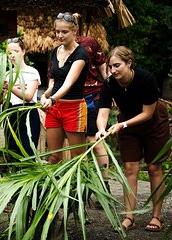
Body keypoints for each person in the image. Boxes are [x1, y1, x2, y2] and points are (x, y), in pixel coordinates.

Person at [96, 46, 170, 232]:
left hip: (153, 122)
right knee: (130, 168)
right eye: (110, 66)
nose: (113, 70)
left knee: (154, 167)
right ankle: (129, 217)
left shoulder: (146, 79)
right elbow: (103, 111)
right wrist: (101, 130)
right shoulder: (110, 83)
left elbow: (147, 113)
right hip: (128, 123)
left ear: (129, 63)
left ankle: (156, 217)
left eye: (117, 65)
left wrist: (123, 125)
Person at [41, 12, 89, 163]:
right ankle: (53, 186)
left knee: (77, 158)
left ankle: (80, 185)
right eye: (57, 31)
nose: (60, 35)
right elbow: (54, 80)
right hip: (55, 109)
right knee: (54, 156)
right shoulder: (55, 51)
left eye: (64, 32)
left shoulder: (81, 54)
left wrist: (52, 99)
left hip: (73, 108)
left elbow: (68, 83)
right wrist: (45, 95)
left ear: (74, 32)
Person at [75, 18, 110, 190]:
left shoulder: (89, 43)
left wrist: (112, 92)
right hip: (73, 101)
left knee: (94, 139)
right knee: (79, 143)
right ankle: (86, 185)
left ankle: (104, 184)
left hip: (93, 97)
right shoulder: (58, 50)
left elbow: (104, 69)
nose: (60, 34)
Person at [3, 37, 41, 160]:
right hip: (10, 114)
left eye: (16, 51)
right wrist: (1, 91)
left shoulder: (32, 72)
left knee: (28, 150)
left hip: (28, 113)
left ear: (23, 51)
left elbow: (29, 96)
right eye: (9, 53)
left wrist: (10, 87)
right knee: (12, 151)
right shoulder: (7, 74)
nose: (12, 56)